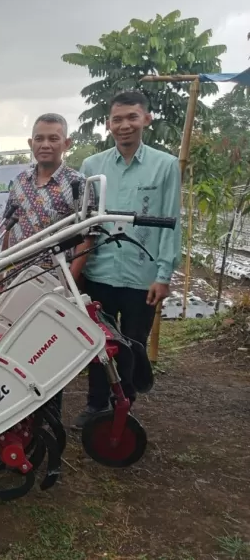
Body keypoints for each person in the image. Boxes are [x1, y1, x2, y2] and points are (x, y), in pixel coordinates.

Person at [72, 90, 181, 430]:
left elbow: (172, 221)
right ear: (108, 124)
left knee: (132, 343)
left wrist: (163, 274)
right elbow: (83, 221)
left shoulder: (165, 166)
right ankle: (95, 404)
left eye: (132, 117)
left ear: (147, 119)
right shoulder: (93, 166)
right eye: (117, 119)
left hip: (141, 276)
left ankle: (124, 404)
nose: (124, 126)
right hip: (100, 271)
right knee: (99, 343)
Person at [0, 113, 97, 415]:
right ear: (30, 143)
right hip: (16, 281)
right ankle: (13, 419)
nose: (45, 144)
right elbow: (9, 228)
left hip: (53, 283)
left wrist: (69, 280)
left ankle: (48, 427)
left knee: (46, 354)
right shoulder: (19, 182)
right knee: (10, 348)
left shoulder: (79, 185)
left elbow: (86, 238)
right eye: (39, 138)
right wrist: (1, 269)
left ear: (66, 143)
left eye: (53, 138)